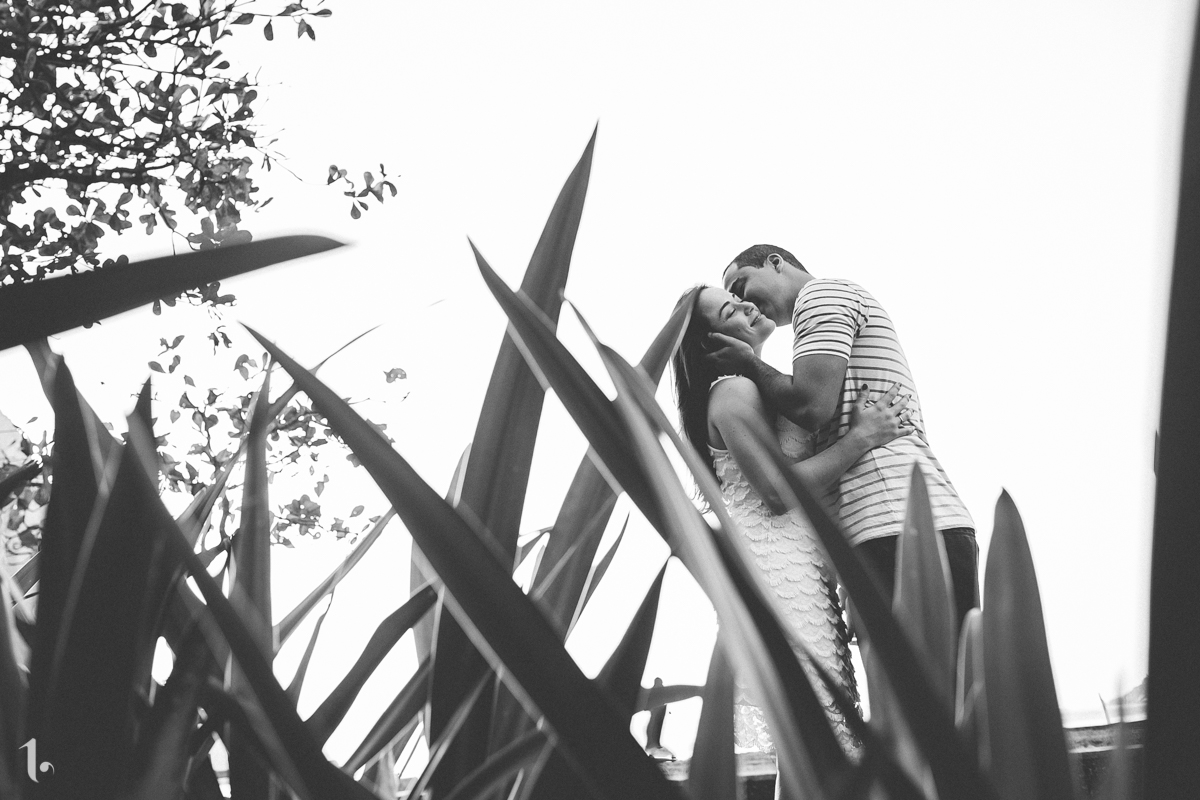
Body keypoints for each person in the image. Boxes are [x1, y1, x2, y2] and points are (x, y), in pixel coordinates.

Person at [672, 285, 914, 756]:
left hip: (803, 568)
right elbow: (778, 493)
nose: (747, 305)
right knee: (809, 723)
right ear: (711, 344)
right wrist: (861, 439)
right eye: (730, 309)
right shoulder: (732, 392)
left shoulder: (760, 387)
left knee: (826, 715)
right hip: (775, 571)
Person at [709, 245, 978, 632]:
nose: (743, 301)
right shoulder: (810, 328)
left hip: (898, 521)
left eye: (741, 285)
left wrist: (749, 363)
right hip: (884, 527)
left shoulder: (822, 295)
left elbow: (812, 406)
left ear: (775, 263)